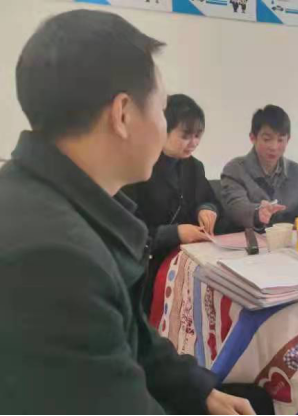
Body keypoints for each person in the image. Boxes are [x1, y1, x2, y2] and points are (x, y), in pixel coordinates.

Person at [0, 10, 273, 415]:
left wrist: (199, 391)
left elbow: (132, 335)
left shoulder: (62, 201)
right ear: (123, 114)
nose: (164, 127)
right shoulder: (54, 257)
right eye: (161, 110)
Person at [124, 94, 219, 313]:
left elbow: (209, 199)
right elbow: (129, 232)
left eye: (198, 135)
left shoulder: (194, 167)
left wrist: (207, 210)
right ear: (162, 130)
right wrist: (175, 233)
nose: (193, 143)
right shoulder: (138, 169)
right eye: (185, 135)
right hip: (148, 268)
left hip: (189, 263)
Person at [221, 105, 298, 231]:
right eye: (267, 139)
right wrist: (257, 213)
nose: (274, 147)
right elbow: (236, 208)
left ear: (288, 140)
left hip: (288, 241)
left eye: (280, 140)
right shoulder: (235, 169)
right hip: (249, 240)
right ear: (253, 138)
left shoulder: (297, 172)